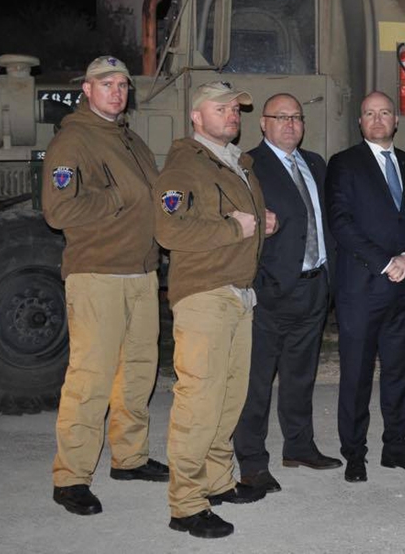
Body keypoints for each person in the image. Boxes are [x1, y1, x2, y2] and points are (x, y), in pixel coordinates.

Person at [44, 55, 168, 517]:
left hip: (140, 273)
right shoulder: (73, 140)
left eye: (122, 84)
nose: (117, 91)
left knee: (137, 372)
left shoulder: (130, 139)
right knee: (90, 378)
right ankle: (71, 476)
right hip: (97, 275)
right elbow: (59, 211)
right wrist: (121, 196)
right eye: (106, 84)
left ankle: (129, 458)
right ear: (87, 90)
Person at [154, 81, 278, 538]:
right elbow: (169, 230)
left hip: (238, 294)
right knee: (199, 403)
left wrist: (263, 223)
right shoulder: (185, 165)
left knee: (228, 399)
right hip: (204, 295)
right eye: (221, 108)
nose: (232, 115)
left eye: (236, 109)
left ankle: (217, 481)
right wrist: (232, 226)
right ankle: (185, 504)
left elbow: (243, 223)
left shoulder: (236, 163)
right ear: (196, 116)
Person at [233, 94, 341, 493]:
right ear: (263, 123)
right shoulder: (248, 166)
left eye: (296, 117)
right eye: (281, 117)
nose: (290, 124)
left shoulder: (315, 164)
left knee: (300, 375)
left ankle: (298, 446)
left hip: (314, 287)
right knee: (256, 381)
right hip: (270, 290)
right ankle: (252, 461)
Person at [326, 91, 405, 483]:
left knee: (398, 373)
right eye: (369, 113)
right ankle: (355, 452)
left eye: (384, 113)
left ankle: (396, 447)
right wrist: (384, 260)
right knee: (355, 375)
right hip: (361, 288)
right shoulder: (344, 164)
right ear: (360, 122)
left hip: (403, 289)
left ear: (395, 120)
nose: (377, 119)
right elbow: (341, 222)